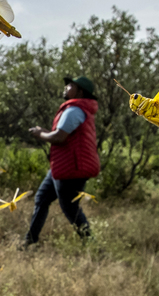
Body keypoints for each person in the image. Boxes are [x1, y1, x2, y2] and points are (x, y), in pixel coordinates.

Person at [25, 76, 100, 246]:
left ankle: (93, 247)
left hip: (71, 169)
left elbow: (59, 137)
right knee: (42, 199)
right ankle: (29, 242)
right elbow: (65, 136)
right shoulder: (77, 109)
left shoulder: (74, 110)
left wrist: (40, 134)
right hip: (62, 167)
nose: (66, 87)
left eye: (70, 85)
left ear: (80, 92)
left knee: (70, 209)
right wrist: (45, 132)